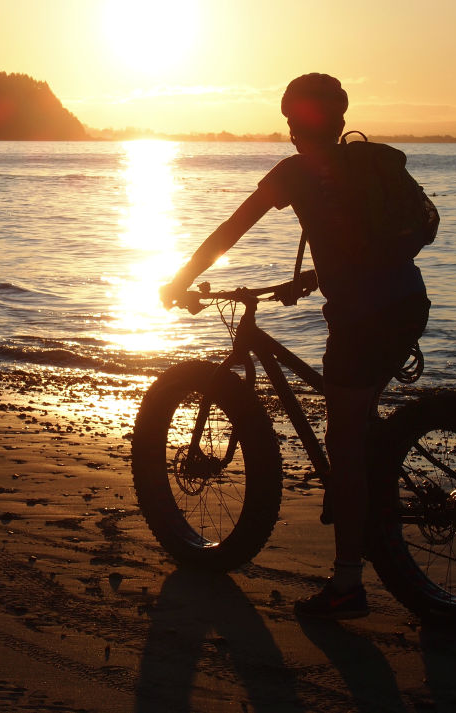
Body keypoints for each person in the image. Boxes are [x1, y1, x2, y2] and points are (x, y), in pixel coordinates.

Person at [160, 73, 430, 620]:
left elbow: (231, 230)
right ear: (339, 117)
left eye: (288, 119)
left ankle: (348, 585)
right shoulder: (368, 163)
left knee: (345, 441)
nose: (287, 129)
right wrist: (307, 280)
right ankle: (381, 503)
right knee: (362, 418)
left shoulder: (295, 173)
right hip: (408, 303)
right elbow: (359, 246)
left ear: (293, 123)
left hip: (361, 319)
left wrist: (179, 278)